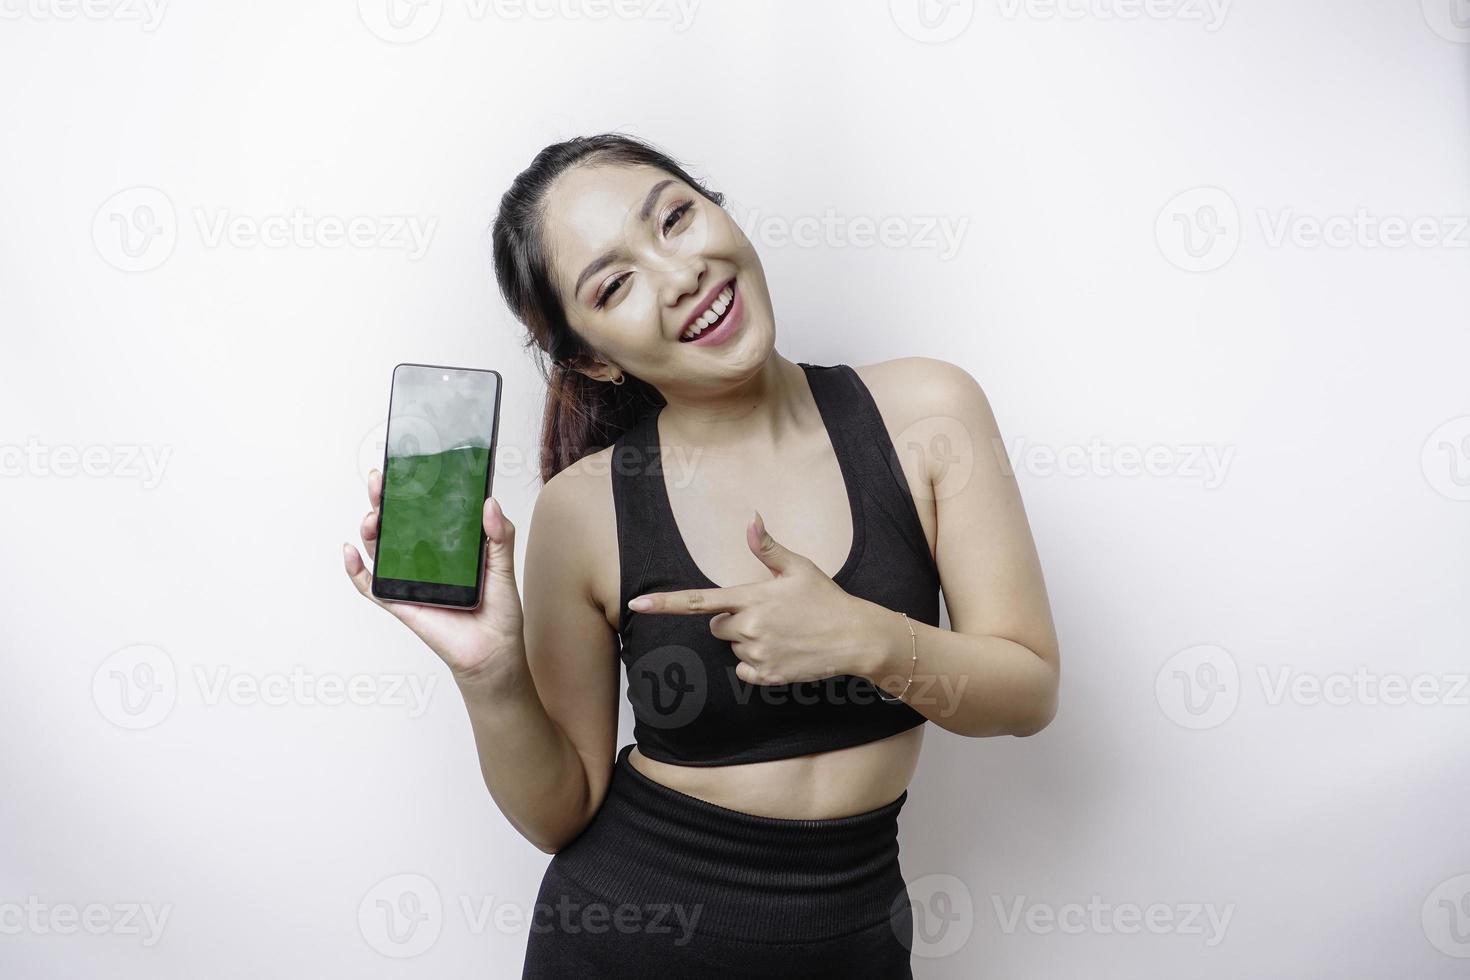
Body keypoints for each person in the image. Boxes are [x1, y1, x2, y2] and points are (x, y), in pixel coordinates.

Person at [342, 132, 1060, 978]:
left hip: (857, 943)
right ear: (590, 358)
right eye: (615, 283)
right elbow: (560, 813)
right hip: (625, 941)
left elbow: (1027, 692)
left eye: (676, 218)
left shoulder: (930, 412)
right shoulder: (583, 508)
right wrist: (490, 673)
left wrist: (862, 638)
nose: (681, 275)